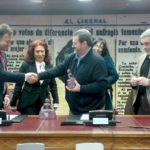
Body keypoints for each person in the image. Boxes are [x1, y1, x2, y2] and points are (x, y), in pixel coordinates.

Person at [29, 29, 108, 115]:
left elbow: (101, 85)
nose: (72, 45)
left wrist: (80, 88)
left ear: (84, 44)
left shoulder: (98, 61)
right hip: (74, 110)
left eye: (75, 43)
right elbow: (57, 70)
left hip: (92, 111)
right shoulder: (71, 57)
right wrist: (38, 76)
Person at [10, 39, 59, 115]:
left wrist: (56, 101)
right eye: (37, 51)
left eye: (42, 51)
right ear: (32, 53)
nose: (40, 54)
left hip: (45, 103)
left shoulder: (49, 66)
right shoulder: (26, 65)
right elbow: (19, 84)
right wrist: (13, 102)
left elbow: (53, 85)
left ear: (45, 52)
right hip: (28, 103)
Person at [0, 23, 35, 110]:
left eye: (10, 42)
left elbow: (4, 78)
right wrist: (25, 76)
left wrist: (6, 95)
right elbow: (2, 75)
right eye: (7, 42)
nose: (9, 44)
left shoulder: (3, 55)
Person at [128, 28, 150, 114]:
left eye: (147, 44)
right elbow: (134, 74)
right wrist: (133, 81)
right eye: (143, 44)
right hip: (139, 102)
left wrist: (148, 82)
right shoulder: (141, 58)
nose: (144, 47)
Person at [92, 38, 119, 110]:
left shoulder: (106, 59)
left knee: (104, 116)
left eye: (100, 47)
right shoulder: (88, 59)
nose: (97, 48)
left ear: (103, 49)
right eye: (96, 45)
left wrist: (104, 81)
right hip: (91, 92)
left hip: (105, 93)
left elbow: (115, 75)